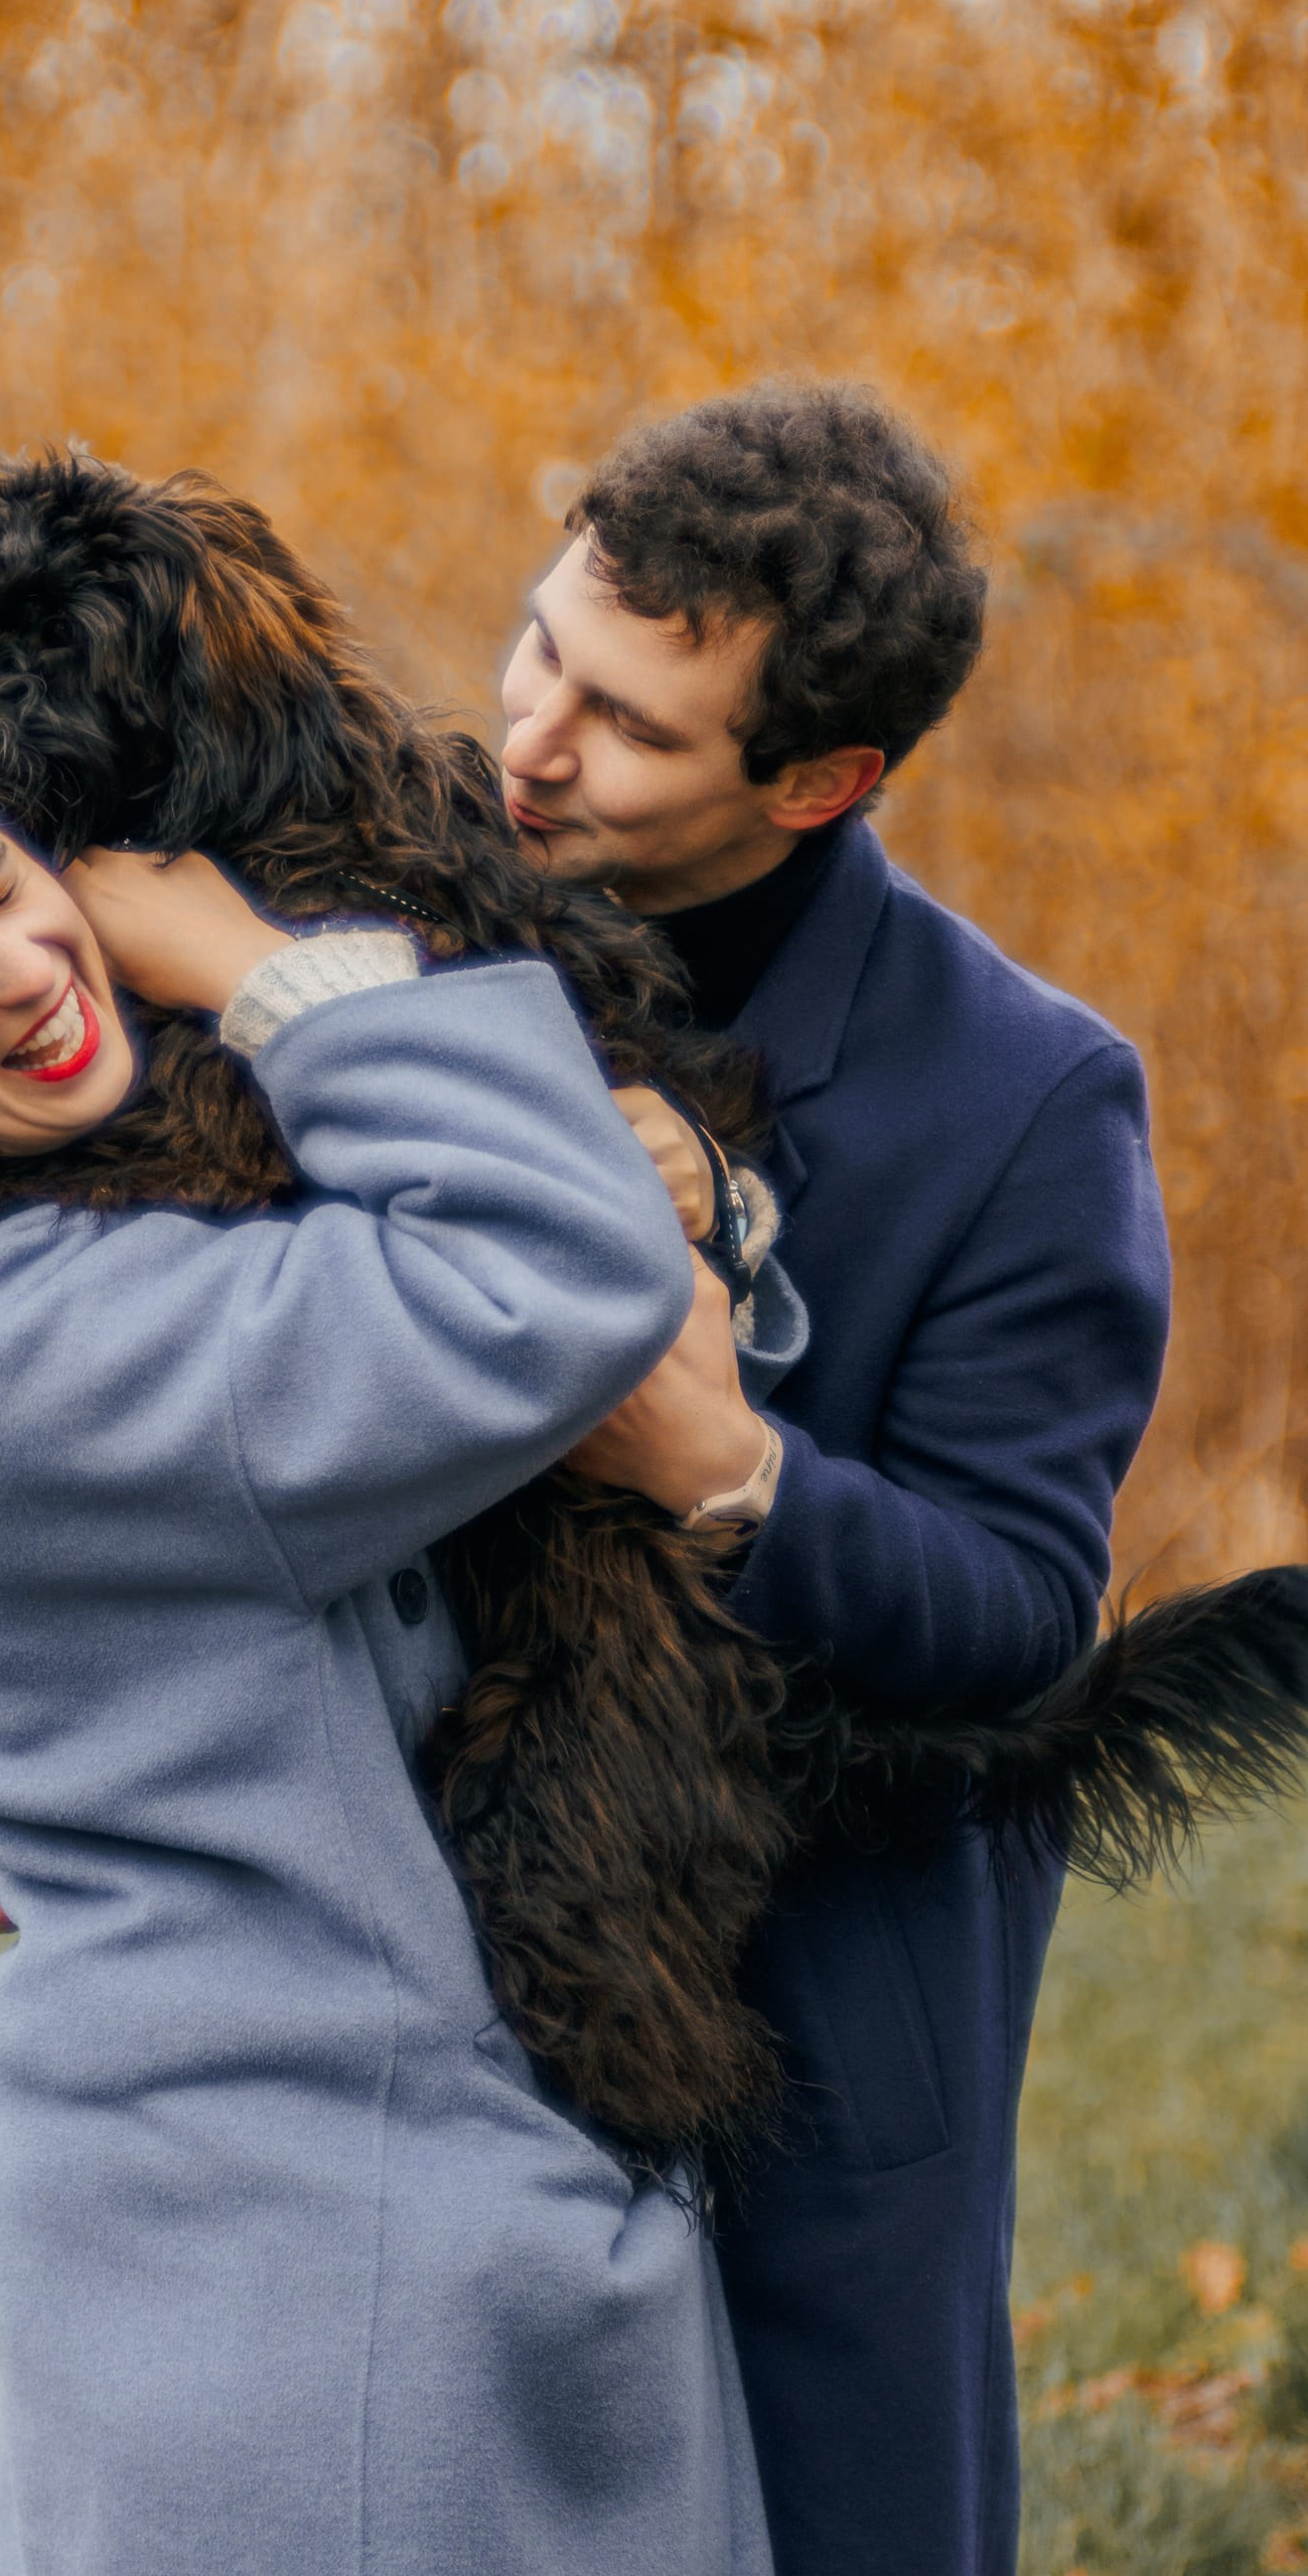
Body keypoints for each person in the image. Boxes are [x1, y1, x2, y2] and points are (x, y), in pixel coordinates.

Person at [0, 679, 776, 2576]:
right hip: (326, 2269)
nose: (18, 968)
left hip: (361, 2208)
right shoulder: (20, 1333)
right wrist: (267, 971)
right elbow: (561, 1274)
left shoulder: (18, 1235)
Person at [494, 383, 1173, 2576]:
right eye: (537, 653)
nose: (528, 743)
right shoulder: (402, 936)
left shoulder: (1027, 1096)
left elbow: (1012, 1614)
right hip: (412, 1959)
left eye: (623, 726)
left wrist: (723, 1463)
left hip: (814, 2017)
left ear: (821, 780)